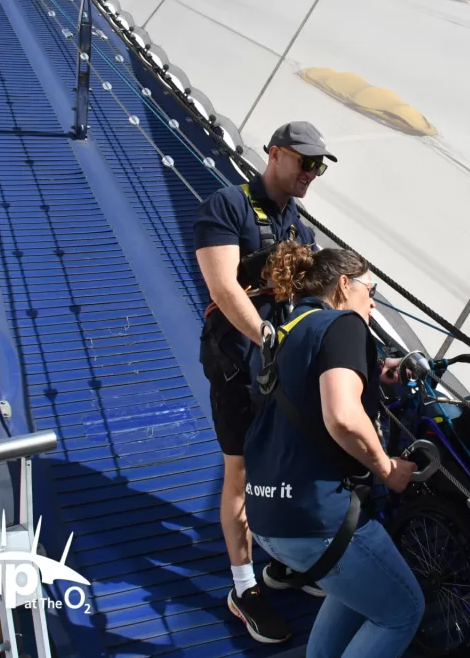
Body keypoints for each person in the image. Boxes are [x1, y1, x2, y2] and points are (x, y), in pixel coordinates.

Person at [244, 241, 425, 658]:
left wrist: (374, 378)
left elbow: (303, 397)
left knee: (349, 594)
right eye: (371, 291)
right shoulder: (344, 324)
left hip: (270, 517)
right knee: (401, 612)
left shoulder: (283, 332)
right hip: (320, 518)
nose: (373, 306)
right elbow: (342, 416)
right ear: (344, 285)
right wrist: (386, 467)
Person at [193, 121, 334, 642]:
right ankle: (244, 586)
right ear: (275, 155)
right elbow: (223, 286)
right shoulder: (227, 205)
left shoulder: (296, 222)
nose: (314, 173)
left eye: (320, 165)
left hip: (279, 368)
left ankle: (283, 560)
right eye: (307, 162)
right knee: (240, 472)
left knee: (285, 462)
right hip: (237, 364)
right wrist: (268, 339)